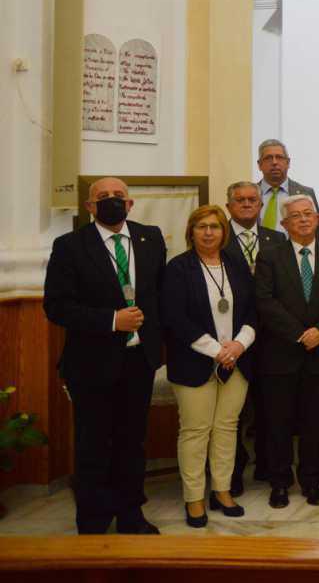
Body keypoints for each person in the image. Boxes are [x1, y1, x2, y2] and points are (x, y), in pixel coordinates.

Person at [43, 177, 167, 534]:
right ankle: (93, 520)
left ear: (130, 204)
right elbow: (57, 306)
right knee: (93, 444)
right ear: (89, 207)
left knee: (132, 442)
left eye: (118, 196)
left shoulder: (150, 237)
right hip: (91, 364)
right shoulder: (69, 246)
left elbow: (159, 292)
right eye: (102, 197)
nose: (111, 201)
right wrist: (113, 320)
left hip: (138, 362)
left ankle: (131, 514)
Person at [161, 206, 255, 527]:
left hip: (237, 362)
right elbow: (175, 318)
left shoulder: (237, 265)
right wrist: (216, 350)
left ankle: (222, 490)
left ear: (223, 232)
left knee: (227, 429)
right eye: (201, 226)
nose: (209, 232)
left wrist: (239, 344)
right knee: (195, 432)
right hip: (194, 363)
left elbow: (254, 311)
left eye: (215, 226)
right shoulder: (178, 268)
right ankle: (194, 498)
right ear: (191, 231)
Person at [255, 194, 319, 508]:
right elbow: (265, 302)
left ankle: (311, 482)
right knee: (278, 424)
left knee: (314, 425)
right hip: (280, 355)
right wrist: (299, 333)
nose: (304, 219)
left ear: (318, 219)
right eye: (296, 216)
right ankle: (280, 483)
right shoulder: (269, 256)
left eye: (309, 213)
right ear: (284, 224)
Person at [224, 181, 287, 491]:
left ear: (261, 205)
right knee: (233, 411)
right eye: (240, 200)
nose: (247, 204)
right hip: (231, 337)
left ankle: (267, 465)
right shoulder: (217, 239)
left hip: (271, 337)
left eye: (252, 199)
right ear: (229, 207)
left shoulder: (276, 239)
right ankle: (232, 472)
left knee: (269, 407)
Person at [256, 139, 319, 242]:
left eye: (279, 157)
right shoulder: (250, 196)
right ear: (259, 164)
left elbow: (317, 234)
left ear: (288, 163)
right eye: (268, 158)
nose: (274, 162)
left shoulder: (305, 193)